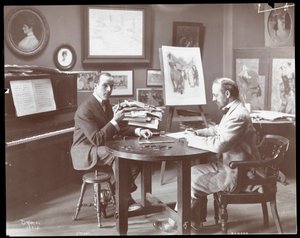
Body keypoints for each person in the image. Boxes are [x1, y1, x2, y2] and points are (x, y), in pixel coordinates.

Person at [153, 77, 261, 233]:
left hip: (238, 172)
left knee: (191, 182)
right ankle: (195, 222)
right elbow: (217, 130)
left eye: (215, 95)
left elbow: (219, 144)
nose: (213, 99)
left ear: (227, 93)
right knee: (189, 173)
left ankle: (175, 223)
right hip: (229, 165)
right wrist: (197, 132)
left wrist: (192, 139)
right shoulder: (234, 110)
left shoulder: (238, 115)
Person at [71, 72, 153, 211]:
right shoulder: (85, 109)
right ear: (95, 86)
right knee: (117, 156)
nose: (109, 90)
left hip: (100, 146)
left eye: (111, 86)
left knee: (137, 159)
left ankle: (114, 192)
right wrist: (115, 120)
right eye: (105, 86)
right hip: (85, 150)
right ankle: (125, 201)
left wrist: (138, 131)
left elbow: (117, 128)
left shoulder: (106, 104)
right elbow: (97, 139)